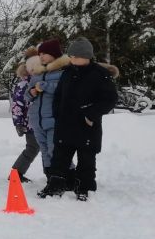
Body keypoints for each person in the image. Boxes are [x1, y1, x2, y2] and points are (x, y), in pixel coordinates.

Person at [38, 37, 118, 201]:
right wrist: (57, 113)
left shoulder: (100, 74)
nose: (72, 59)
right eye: (71, 56)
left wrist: (91, 114)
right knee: (59, 158)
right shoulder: (68, 71)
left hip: (86, 126)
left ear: (86, 56)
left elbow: (110, 99)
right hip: (65, 124)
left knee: (86, 159)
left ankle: (85, 187)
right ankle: (56, 185)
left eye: (75, 56)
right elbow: (58, 95)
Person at [25, 39, 70, 179]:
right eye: (40, 54)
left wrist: (45, 86)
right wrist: (31, 92)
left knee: (55, 149)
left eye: (45, 53)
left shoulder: (64, 72)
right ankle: (50, 177)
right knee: (44, 149)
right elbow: (27, 96)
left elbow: (65, 91)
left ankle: (68, 175)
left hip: (54, 119)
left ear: (54, 54)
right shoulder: (37, 73)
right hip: (37, 120)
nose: (41, 56)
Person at [9, 47, 39, 182]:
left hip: (45, 121)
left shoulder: (44, 80)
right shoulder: (23, 84)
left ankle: (65, 172)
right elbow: (17, 105)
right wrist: (18, 123)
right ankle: (16, 173)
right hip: (31, 123)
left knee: (52, 148)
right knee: (33, 148)